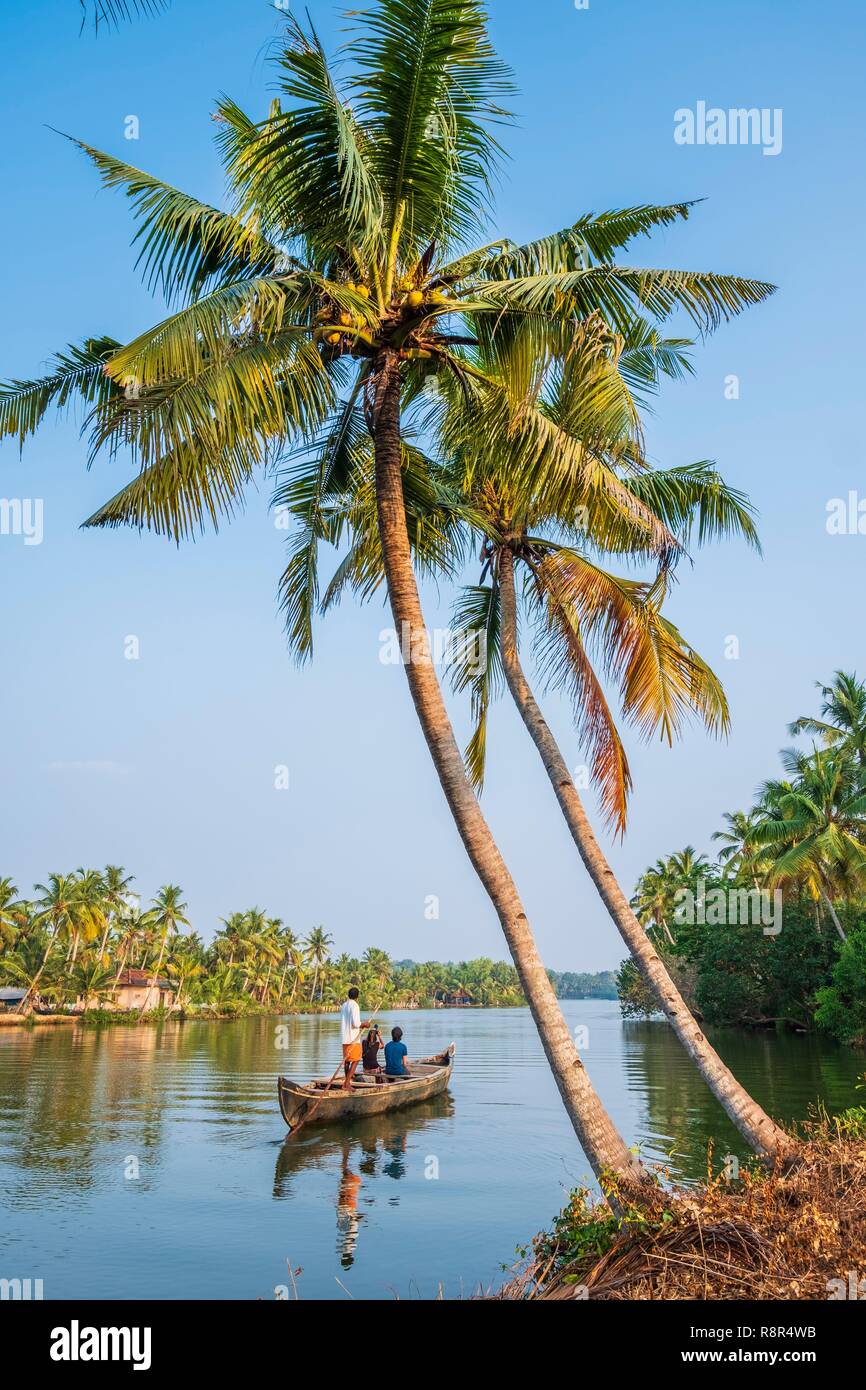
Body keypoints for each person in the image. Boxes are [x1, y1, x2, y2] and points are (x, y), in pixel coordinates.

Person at [340, 988, 371, 1091]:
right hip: (353, 1039)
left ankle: (346, 1081)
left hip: (345, 1038)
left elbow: (350, 1023)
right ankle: (347, 1084)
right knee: (356, 1060)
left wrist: (360, 1026)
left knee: (347, 1061)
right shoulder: (355, 1005)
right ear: (357, 996)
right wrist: (365, 1024)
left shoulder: (344, 1005)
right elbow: (355, 1023)